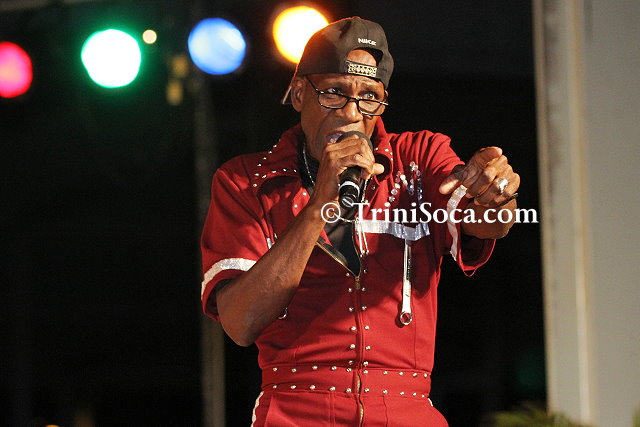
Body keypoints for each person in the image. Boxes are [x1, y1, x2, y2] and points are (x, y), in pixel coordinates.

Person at [200, 16, 520, 426]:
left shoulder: (418, 159)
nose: (352, 113)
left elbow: (488, 223)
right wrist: (319, 205)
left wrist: (497, 194)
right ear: (299, 93)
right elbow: (241, 323)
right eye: (334, 92)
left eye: (369, 97)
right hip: (295, 411)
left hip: (407, 409)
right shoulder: (246, 181)